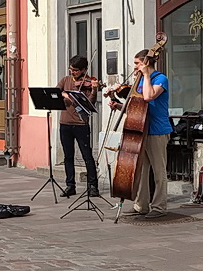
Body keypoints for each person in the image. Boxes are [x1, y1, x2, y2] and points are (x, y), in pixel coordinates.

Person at [108, 49, 172, 218]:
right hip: (140, 129)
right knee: (141, 170)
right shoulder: (140, 80)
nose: (134, 66)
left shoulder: (160, 79)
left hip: (157, 130)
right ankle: (140, 205)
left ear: (146, 62)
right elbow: (138, 107)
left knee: (159, 172)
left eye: (137, 63)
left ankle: (159, 207)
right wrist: (120, 106)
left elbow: (149, 97)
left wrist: (146, 76)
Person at [56, 55, 101, 198]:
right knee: (68, 156)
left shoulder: (89, 82)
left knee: (87, 155)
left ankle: (93, 186)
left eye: (75, 70)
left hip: (81, 124)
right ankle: (70, 185)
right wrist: (65, 94)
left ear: (83, 70)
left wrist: (94, 90)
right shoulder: (66, 80)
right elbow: (56, 92)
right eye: (71, 69)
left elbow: (91, 103)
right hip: (65, 123)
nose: (72, 72)